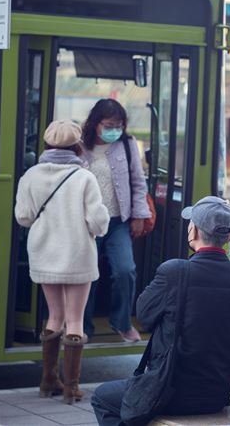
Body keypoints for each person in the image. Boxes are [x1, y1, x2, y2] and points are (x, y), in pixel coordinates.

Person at [92, 196, 230, 425]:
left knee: (102, 397)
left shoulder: (174, 272)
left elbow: (144, 316)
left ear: (193, 231)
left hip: (167, 392)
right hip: (216, 395)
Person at [14, 119, 110, 404]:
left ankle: (47, 381)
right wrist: (98, 226)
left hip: (44, 252)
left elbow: (23, 217)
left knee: (53, 316)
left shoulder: (31, 175)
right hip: (78, 253)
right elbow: (97, 221)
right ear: (76, 146)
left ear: (46, 145)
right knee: (75, 319)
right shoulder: (84, 177)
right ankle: (72, 387)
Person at [81, 98, 151, 342]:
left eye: (119, 125)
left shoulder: (128, 144)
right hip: (87, 222)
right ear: (95, 123)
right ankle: (83, 326)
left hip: (118, 221)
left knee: (125, 270)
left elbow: (137, 181)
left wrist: (140, 215)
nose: (114, 130)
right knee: (86, 274)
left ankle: (121, 323)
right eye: (109, 125)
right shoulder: (80, 145)